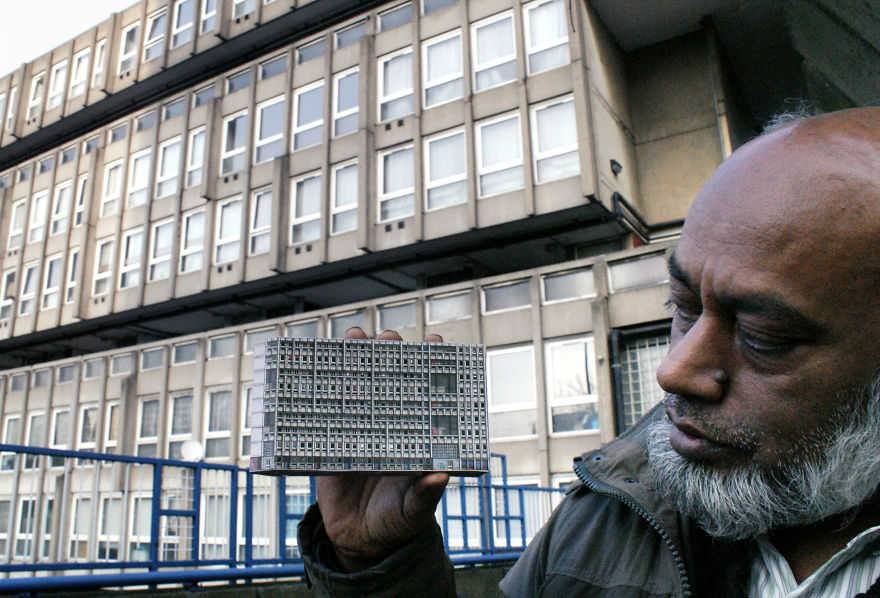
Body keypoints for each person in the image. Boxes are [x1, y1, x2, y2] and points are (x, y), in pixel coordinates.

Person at [297, 106, 880, 597]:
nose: (673, 370)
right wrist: (380, 567)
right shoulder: (603, 516)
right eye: (681, 306)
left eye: (763, 337)